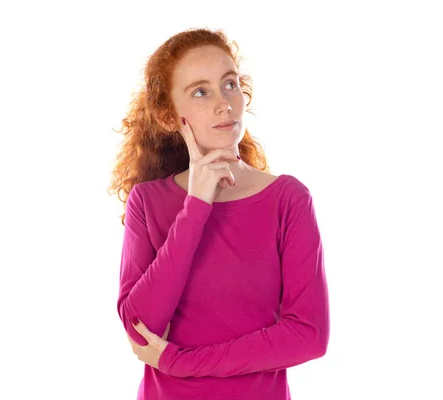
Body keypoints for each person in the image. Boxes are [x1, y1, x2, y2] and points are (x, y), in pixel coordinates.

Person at [109, 27, 330, 400]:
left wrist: (182, 362)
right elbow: (140, 328)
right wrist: (196, 206)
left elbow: (308, 335)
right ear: (168, 117)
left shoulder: (288, 199)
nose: (223, 104)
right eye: (200, 91)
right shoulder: (148, 202)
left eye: (229, 84)